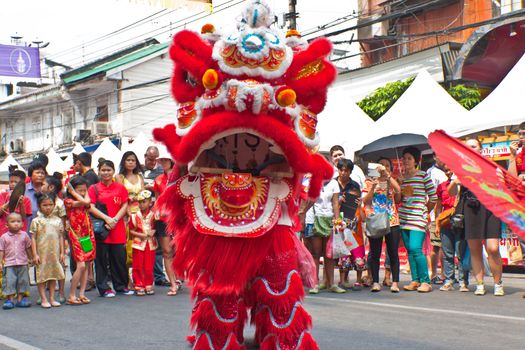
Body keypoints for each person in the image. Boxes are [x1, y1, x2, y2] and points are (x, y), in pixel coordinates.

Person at [448, 137, 504, 296]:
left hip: (491, 208)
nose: (470, 149)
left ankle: (498, 283)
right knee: (475, 249)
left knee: (493, 248)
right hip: (471, 208)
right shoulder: (460, 168)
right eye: (467, 147)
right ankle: (480, 284)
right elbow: (451, 193)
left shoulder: (492, 166)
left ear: (481, 149)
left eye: (473, 146)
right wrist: (455, 182)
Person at [88, 159, 132, 297]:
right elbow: (90, 207)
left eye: (109, 170)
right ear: (98, 171)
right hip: (102, 228)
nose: (106, 173)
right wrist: (106, 219)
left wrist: (115, 219)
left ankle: (121, 286)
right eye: (103, 170)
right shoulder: (93, 188)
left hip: (117, 228)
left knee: (119, 258)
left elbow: (125, 205)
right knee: (101, 260)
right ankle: (104, 287)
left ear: (113, 171)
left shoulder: (120, 188)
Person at [399, 146, 437, 293]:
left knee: (416, 248)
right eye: (404, 158)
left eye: (409, 158)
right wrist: (399, 184)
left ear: (416, 160)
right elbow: (399, 199)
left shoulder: (423, 176)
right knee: (409, 250)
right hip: (404, 218)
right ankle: (415, 280)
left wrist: (425, 210)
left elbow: (433, 197)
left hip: (418, 219)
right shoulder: (402, 178)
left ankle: (425, 281)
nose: (406, 161)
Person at [363, 157, 402, 293]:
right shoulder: (369, 181)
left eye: (386, 166)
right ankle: (375, 282)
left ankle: (395, 282)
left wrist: (388, 176)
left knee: (393, 252)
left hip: (392, 220)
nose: (383, 168)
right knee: (375, 253)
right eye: (381, 166)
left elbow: (398, 191)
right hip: (376, 220)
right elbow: (365, 201)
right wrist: (373, 186)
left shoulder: (391, 180)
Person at [306, 162, 345, 294]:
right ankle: (314, 283)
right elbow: (308, 200)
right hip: (314, 219)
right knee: (315, 253)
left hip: (329, 219)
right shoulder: (312, 182)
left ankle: (331, 283)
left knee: (329, 254)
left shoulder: (334, 183)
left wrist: (337, 219)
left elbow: (335, 202)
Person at [435, 166, 469, 292]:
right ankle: (448, 280)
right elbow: (438, 205)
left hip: (461, 222)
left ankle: (463, 282)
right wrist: (437, 222)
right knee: (447, 253)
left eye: (451, 169)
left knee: (461, 253)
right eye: (446, 170)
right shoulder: (442, 186)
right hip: (446, 222)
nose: (449, 172)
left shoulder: (464, 184)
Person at [152, 147, 180, 296]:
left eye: (165, 160)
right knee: (167, 252)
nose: (163, 162)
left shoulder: (181, 178)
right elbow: (157, 200)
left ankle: (177, 277)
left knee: (178, 250)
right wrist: (156, 211)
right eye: (161, 160)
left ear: (170, 160)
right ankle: (173, 284)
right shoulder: (158, 180)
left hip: (179, 218)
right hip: (163, 219)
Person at [334, 158, 365, 289]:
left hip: (353, 221)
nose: (343, 173)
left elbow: (359, 203)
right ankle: (342, 279)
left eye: (346, 170)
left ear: (351, 171)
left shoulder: (355, 185)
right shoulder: (333, 183)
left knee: (356, 251)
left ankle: (356, 279)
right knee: (342, 251)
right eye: (341, 170)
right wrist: (338, 201)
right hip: (337, 220)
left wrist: (359, 203)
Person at [64, 176, 96, 305]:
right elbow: (85, 202)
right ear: (72, 190)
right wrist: (72, 193)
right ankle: (72, 295)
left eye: (84, 190)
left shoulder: (83, 199)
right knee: (81, 265)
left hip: (87, 235)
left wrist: (80, 192)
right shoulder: (68, 201)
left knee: (87, 264)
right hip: (76, 236)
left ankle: (81, 294)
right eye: (79, 190)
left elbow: (87, 202)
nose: (82, 193)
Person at [31, 193, 66, 308]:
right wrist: (34, 254)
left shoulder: (58, 221)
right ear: (39, 206)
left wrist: (62, 252)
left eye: (51, 204)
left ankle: (52, 298)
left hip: (54, 254)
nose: (48, 207)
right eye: (45, 205)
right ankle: (43, 298)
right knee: (41, 276)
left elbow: (61, 236)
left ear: (54, 205)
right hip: (42, 253)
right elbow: (33, 238)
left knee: (53, 275)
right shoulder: (36, 221)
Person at [142, 145, 169, 287]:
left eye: (155, 160)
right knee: (142, 244)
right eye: (150, 159)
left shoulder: (161, 172)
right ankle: (142, 277)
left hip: (158, 212)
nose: (153, 162)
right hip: (141, 213)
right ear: (145, 156)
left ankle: (159, 276)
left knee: (159, 245)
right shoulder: (139, 171)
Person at [41, 172, 67, 303]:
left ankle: (61, 293)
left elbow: (63, 223)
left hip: (57, 239)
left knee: (60, 265)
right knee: (44, 265)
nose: (41, 186)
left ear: (51, 187)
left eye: (44, 184)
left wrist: (64, 241)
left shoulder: (59, 203)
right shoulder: (42, 200)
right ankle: (45, 295)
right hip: (43, 240)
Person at [0, 213, 32, 309]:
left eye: (18, 221)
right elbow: (1, 250)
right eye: (12, 221)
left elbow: (28, 248)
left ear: (22, 224)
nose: (16, 224)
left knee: (22, 281)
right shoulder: (4, 237)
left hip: (23, 263)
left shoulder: (25, 235)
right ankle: (10, 300)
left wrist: (32, 258)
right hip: (9, 264)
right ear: (7, 225)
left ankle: (20, 299)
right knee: (9, 281)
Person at [129, 190, 158, 296]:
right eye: (140, 202)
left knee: (149, 266)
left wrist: (153, 232)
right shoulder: (134, 216)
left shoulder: (154, 216)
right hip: (138, 244)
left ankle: (148, 284)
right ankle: (139, 284)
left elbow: (156, 228)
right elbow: (131, 230)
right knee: (137, 265)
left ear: (150, 202)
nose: (141, 204)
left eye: (144, 202)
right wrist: (141, 235)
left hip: (150, 244)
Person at [426, 153, 448, 285]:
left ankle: (444, 273)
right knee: (437, 245)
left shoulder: (445, 172)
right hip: (436, 214)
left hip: (446, 214)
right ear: (435, 157)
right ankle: (437, 273)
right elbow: (434, 196)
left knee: (444, 246)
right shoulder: (433, 173)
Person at [0, 169, 33, 233]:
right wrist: (10, 201)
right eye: (11, 182)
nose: (13, 184)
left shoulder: (26, 200)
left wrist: (21, 204)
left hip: (19, 234)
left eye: (16, 182)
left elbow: (23, 218)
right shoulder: (2, 195)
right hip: (3, 233)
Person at [25, 161, 47, 229]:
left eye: (42, 173)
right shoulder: (24, 189)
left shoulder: (48, 189)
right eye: (37, 172)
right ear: (31, 175)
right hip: (28, 226)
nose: (40, 175)